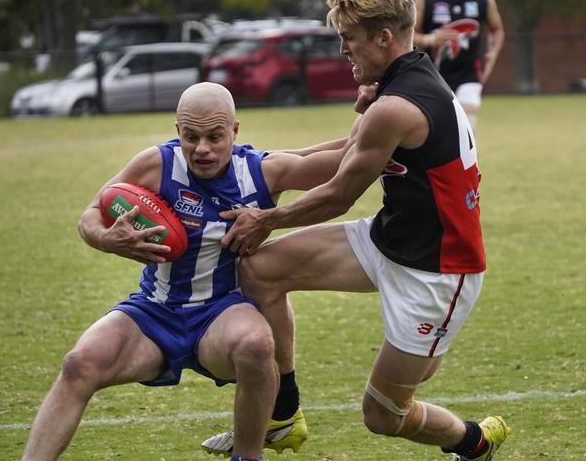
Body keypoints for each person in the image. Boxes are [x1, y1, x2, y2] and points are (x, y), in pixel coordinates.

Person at [204, 0, 511, 460]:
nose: (343, 49)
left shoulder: (396, 105)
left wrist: (265, 218)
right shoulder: (397, 86)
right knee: (259, 271)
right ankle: (284, 415)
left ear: (383, 37)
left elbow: (339, 194)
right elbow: (345, 152)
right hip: (389, 241)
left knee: (384, 414)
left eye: (349, 38)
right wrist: (265, 165)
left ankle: (473, 443)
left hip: (437, 273)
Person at [21, 82, 352, 461]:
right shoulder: (157, 163)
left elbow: (342, 160)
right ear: (178, 130)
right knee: (79, 364)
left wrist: (381, 117)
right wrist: (106, 238)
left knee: (257, 344)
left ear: (235, 131)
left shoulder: (261, 172)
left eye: (215, 136)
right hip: (154, 310)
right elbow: (92, 212)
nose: (203, 149)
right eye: (191, 136)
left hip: (222, 313)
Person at [413, 0, 504, 131]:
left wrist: (493, 54)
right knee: (438, 127)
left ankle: (468, 156)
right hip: (434, 73)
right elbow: (407, 34)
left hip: (469, 73)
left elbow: (497, 30)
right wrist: (431, 40)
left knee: (468, 124)